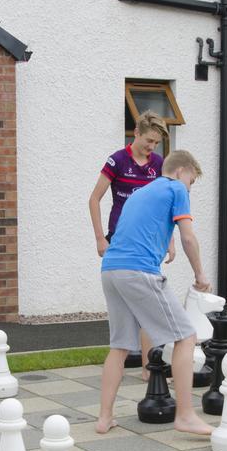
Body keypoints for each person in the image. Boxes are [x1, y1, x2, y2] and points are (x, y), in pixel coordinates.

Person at [97, 150, 213, 436]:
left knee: (120, 346)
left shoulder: (142, 192)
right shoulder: (175, 188)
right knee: (186, 336)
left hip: (111, 269)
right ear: (182, 170)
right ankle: (185, 415)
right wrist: (200, 275)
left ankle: (104, 418)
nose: (189, 188)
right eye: (192, 181)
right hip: (139, 271)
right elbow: (188, 236)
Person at [87, 110, 175, 376]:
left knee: (148, 306)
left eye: (156, 143)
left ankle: (151, 370)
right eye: (148, 140)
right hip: (121, 242)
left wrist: (170, 241)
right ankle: (122, 359)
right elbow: (94, 199)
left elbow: (166, 205)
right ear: (135, 133)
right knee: (128, 308)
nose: (151, 147)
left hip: (149, 245)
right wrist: (100, 238)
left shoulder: (158, 164)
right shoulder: (117, 161)